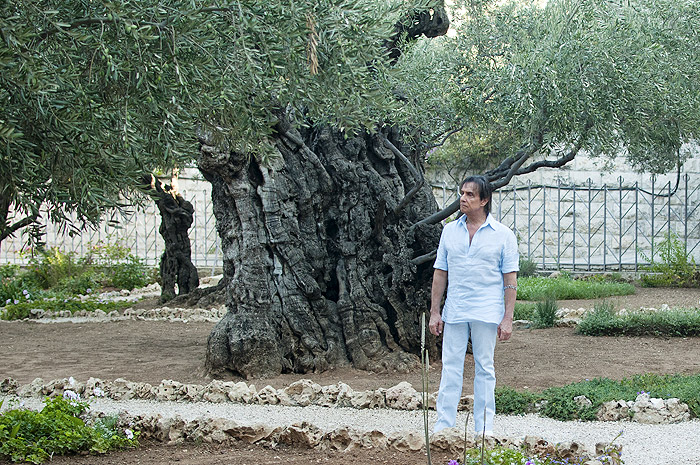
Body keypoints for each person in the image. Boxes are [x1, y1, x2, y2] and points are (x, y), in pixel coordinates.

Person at [429, 175, 519, 437]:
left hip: (487, 311)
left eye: (470, 194)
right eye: (462, 193)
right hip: (455, 309)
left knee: (485, 368)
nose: (463, 198)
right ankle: (443, 427)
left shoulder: (503, 235)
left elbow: (510, 280)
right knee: (451, 367)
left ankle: (484, 430)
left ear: (484, 200)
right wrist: (436, 312)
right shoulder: (449, 231)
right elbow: (440, 273)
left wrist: (507, 318)